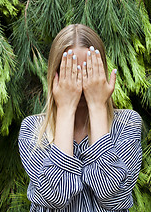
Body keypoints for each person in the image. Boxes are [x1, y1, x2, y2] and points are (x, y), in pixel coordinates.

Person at [18, 24, 143, 211]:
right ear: (55, 75)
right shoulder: (34, 130)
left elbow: (112, 197)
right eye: (71, 72)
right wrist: (66, 109)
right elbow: (57, 195)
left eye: (88, 71)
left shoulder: (127, 124)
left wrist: (98, 107)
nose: (82, 83)